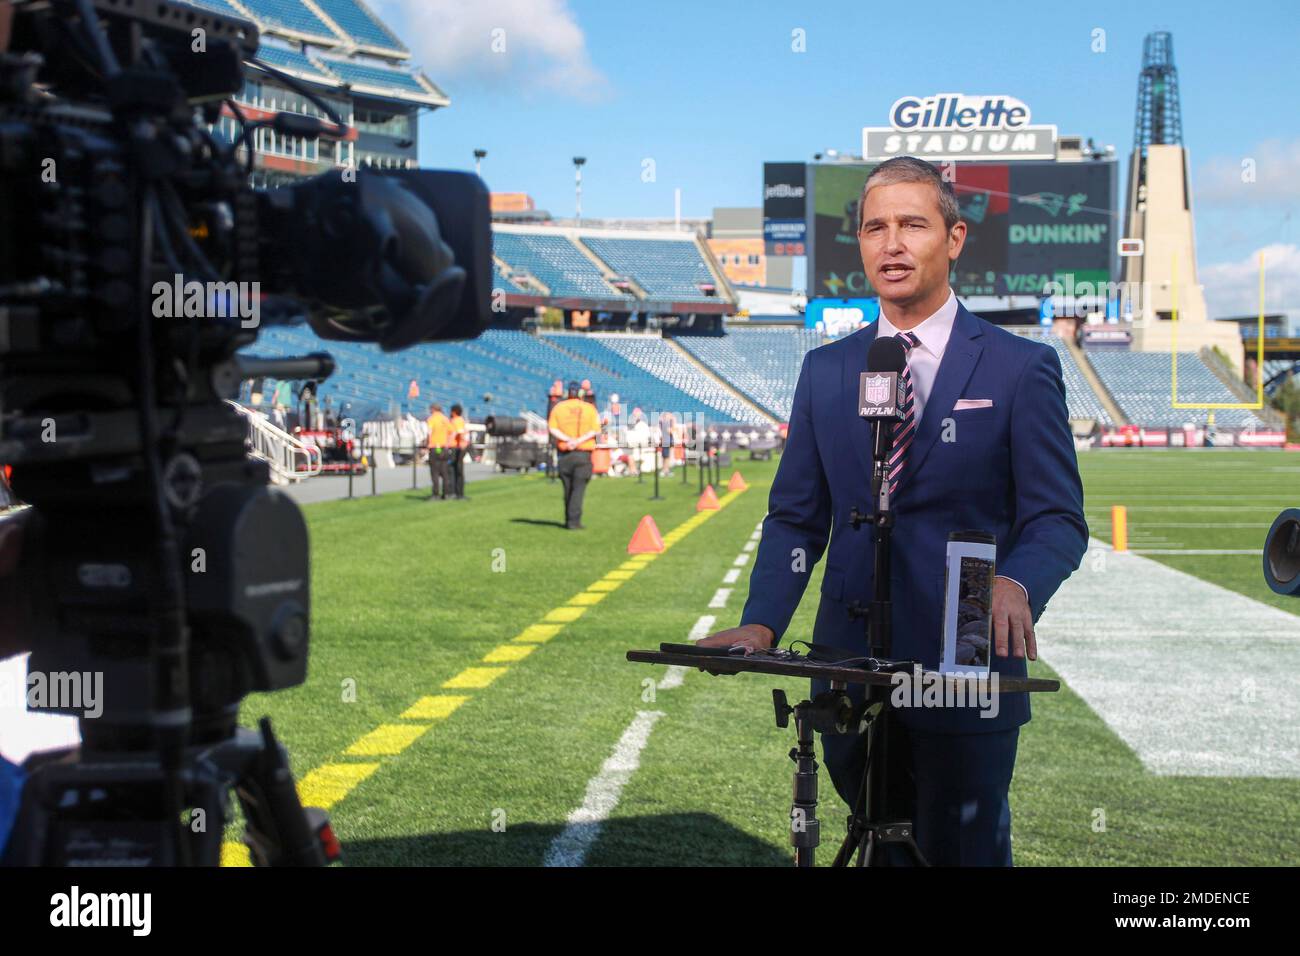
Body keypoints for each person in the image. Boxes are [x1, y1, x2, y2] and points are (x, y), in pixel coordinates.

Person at [698, 156, 1088, 866]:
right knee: (880, 849)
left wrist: (1017, 583)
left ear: (956, 238)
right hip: (847, 668)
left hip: (966, 656)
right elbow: (794, 516)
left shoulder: (1020, 367)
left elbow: (1058, 518)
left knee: (961, 848)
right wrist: (761, 622)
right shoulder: (826, 371)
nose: (892, 243)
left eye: (913, 223)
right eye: (875, 227)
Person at [547, 380, 600, 529]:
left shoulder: (559, 408)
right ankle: (573, 521)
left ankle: (568, 519)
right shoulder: (590, 409)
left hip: (565, 454)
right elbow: (595, 430)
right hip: (582, 454)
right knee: (578, 489)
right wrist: (578, 441)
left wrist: (568, 440)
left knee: (568, 489)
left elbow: (552, 429)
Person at [425, 402, 452, 500]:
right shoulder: (445, 419)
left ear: (433, 409)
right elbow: (451, 433)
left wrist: (427, 444)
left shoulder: (431, 419)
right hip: (444, 447)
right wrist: (448, 444)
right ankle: (446, 493)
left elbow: (429, 432)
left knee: (435, 472)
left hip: (435, 447)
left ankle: (435, 494)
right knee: (444, 472)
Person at [449, 403, 469, 499]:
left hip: (457, 448)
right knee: (454, 470)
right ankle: (455, 492)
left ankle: (458, 493)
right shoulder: (455, 420)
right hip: (456, 447)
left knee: (457, 470)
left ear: (454, 412)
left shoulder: (457, 420)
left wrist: (461, 445)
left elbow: (459, 433)